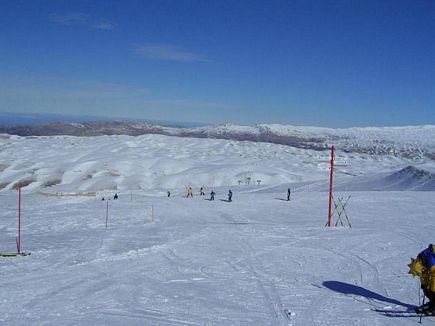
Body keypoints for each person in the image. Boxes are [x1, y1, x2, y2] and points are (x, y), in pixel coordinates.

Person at [408, 244, 435, 315]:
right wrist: (424, 285)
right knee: (429, 290)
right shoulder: (420, 262)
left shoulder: (431, 263)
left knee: (433, 288)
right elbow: (423, 274)